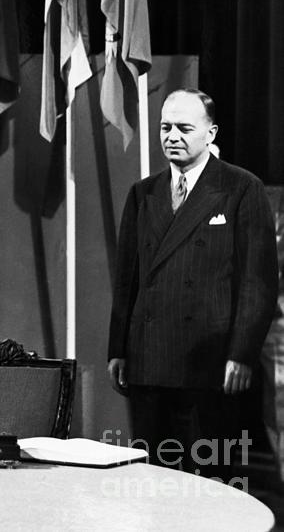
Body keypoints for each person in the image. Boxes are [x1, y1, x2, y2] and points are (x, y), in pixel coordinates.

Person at [108, 89, 277, 473]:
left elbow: (258, 282)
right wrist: (117, 348)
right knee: (153, 475)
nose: (172, 136)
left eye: (184, 128)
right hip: (148, 362)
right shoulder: (143, 194)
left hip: (210, 364)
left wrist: (242, 353)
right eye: (165, 127)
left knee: (207, 478)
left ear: (210, 133)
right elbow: (126, 281)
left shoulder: (241, 188)